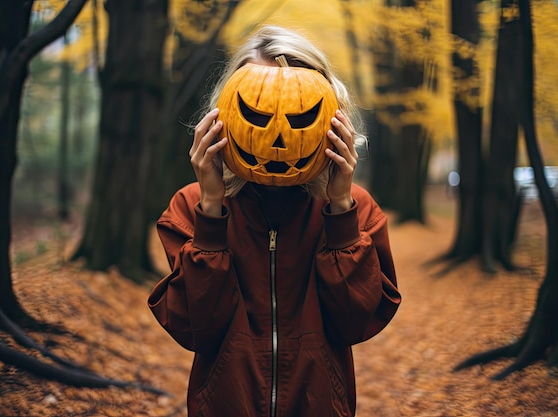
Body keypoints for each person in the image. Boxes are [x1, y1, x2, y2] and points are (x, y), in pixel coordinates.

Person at [148, 25, 401, 417]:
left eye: (301, 119)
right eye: (255, 114)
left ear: (334, 123)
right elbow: (192, 327)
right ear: (223, 115)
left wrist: (340, 212)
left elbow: (357, 323)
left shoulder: (356, 211)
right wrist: (212, 211)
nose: (278, 142)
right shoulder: (192, 206)